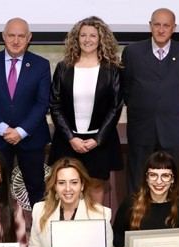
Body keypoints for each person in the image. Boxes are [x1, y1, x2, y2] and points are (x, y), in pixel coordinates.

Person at [122, 8, 179, 193]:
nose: (161, 29)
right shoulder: (132, 52)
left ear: (174, 28)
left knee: (169, 178)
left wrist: (168, 104)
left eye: (166, 25)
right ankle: (136, 212)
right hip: (141, 127)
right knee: (138, 178)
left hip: (172, 128)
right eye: (157, 24)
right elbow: (125, 88)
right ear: (150, 26)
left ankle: (168, 212)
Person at [0, 18, 51, 208]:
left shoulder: (41, 65)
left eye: (21, 36)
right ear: (3, 36)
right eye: (11, 35)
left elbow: (42, 103)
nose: (16, 41)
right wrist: (3, 129)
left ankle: (39, 226)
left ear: (29, 38)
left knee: (36, 189)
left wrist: (21, 131)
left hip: (31, 138)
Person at [49, 16, 123, 204]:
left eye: (92, 35)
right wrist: (71, 138)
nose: (87, 39)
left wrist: (97, 139)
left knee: (96, 188)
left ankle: (95, 225)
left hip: (98, 142)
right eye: (83, 35)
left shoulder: (112, 69)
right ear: (76, 38)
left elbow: (115, 107)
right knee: (66, 190)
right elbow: (55, 105)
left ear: (101, 39)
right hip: (68, 141)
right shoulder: (64, 67)